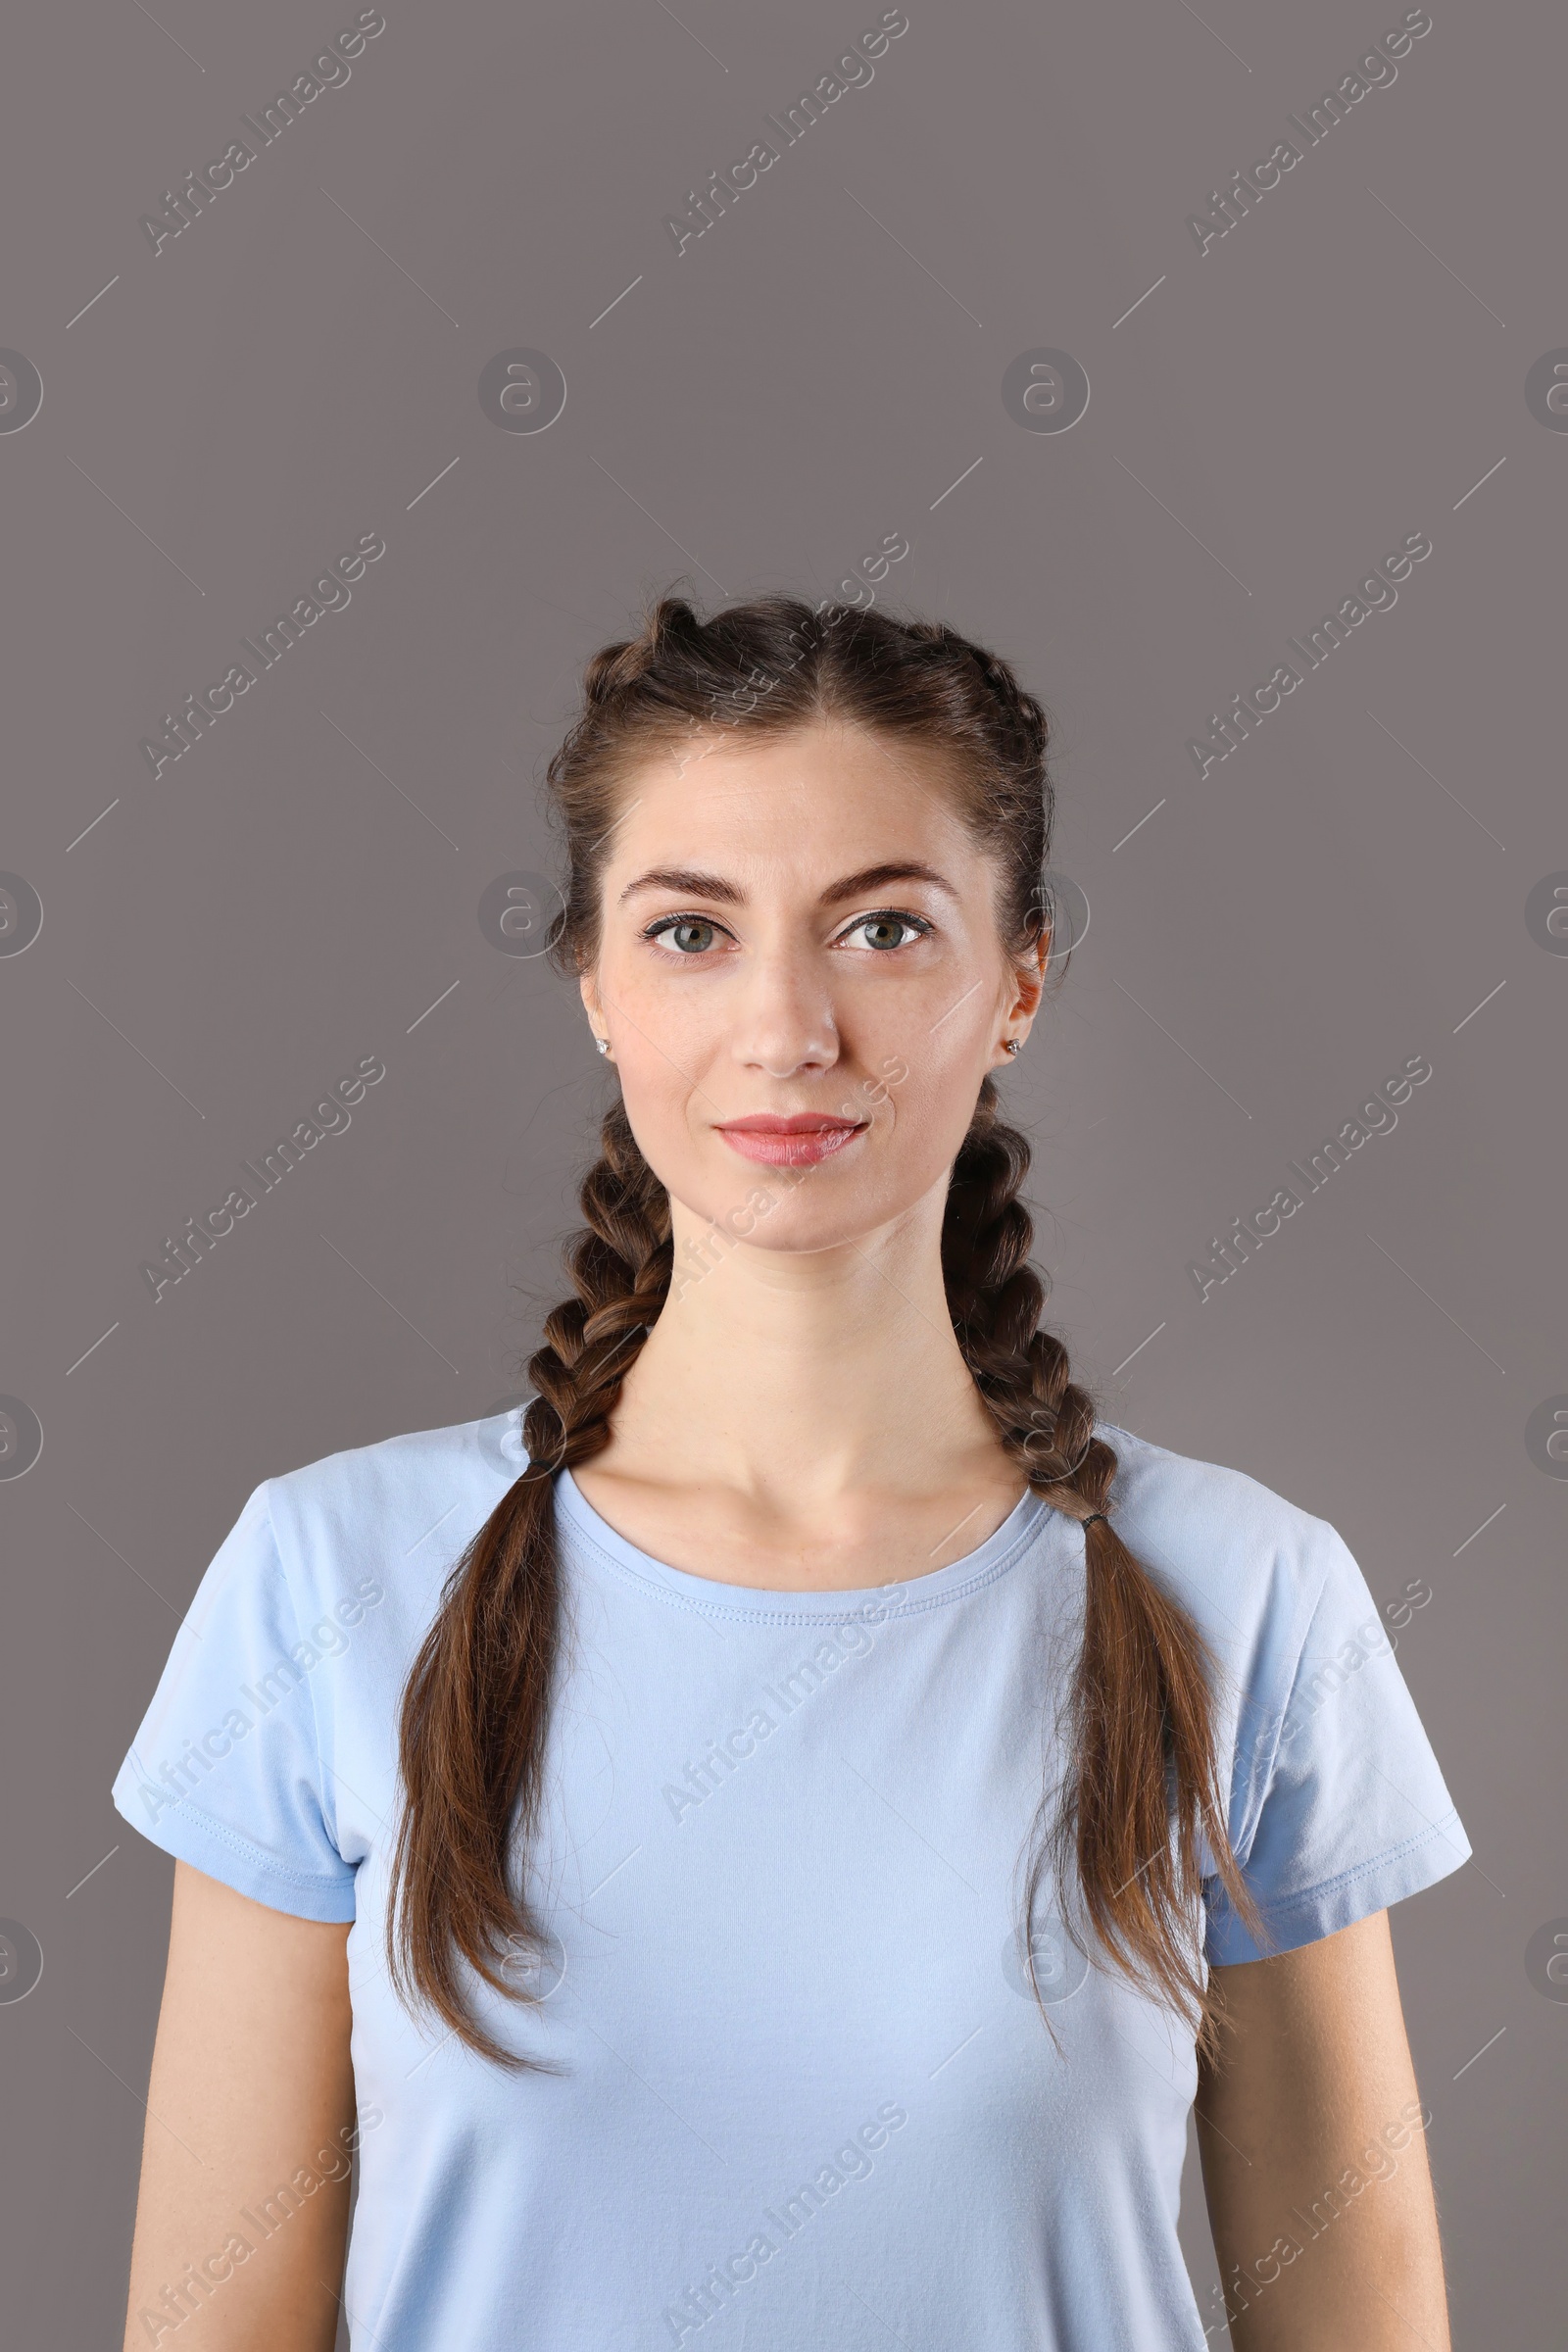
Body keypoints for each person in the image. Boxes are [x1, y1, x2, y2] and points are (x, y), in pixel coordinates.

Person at [113, 594, 1470, 2351]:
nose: (787, 1027)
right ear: (596, 985)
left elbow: (1361, 2324)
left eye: (885, 928)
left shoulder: (1251, 1594)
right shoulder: (326, 1580)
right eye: (691, 931)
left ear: (1021, 981)